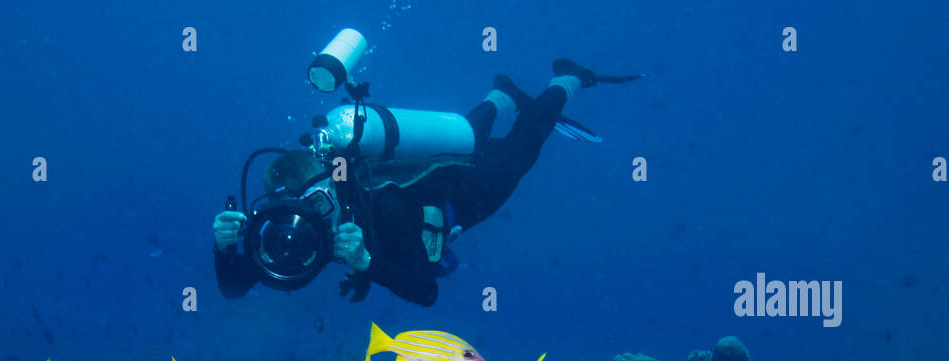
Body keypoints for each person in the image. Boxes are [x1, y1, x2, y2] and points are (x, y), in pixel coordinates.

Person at [213, 59, 640, 307]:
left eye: (325, 201)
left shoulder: (383, 204)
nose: (316, 218)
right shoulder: (295, 234)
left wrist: (365, 263)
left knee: (519, 152)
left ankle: (565, 78)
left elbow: (426, 291)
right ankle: (500, 96)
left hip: (459, 191)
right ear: (276, 208)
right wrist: (224, 246)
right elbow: (235, 286)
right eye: (306, 208)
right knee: (469, 141)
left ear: (335, 178)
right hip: (438, 175)